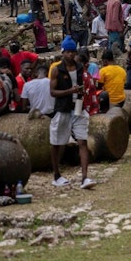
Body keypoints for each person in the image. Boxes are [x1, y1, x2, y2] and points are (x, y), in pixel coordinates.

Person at [49, 36, 96, 189]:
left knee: (82, 141)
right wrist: (70, 91)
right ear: (63, 53)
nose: (70, 55)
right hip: (63, 109)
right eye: (67, 52)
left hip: (78, 107)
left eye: (72, 52)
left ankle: (85, 177)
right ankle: (56, 175)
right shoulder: (57, 69)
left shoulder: (80, 67)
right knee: (57, 143)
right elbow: (53, 92)